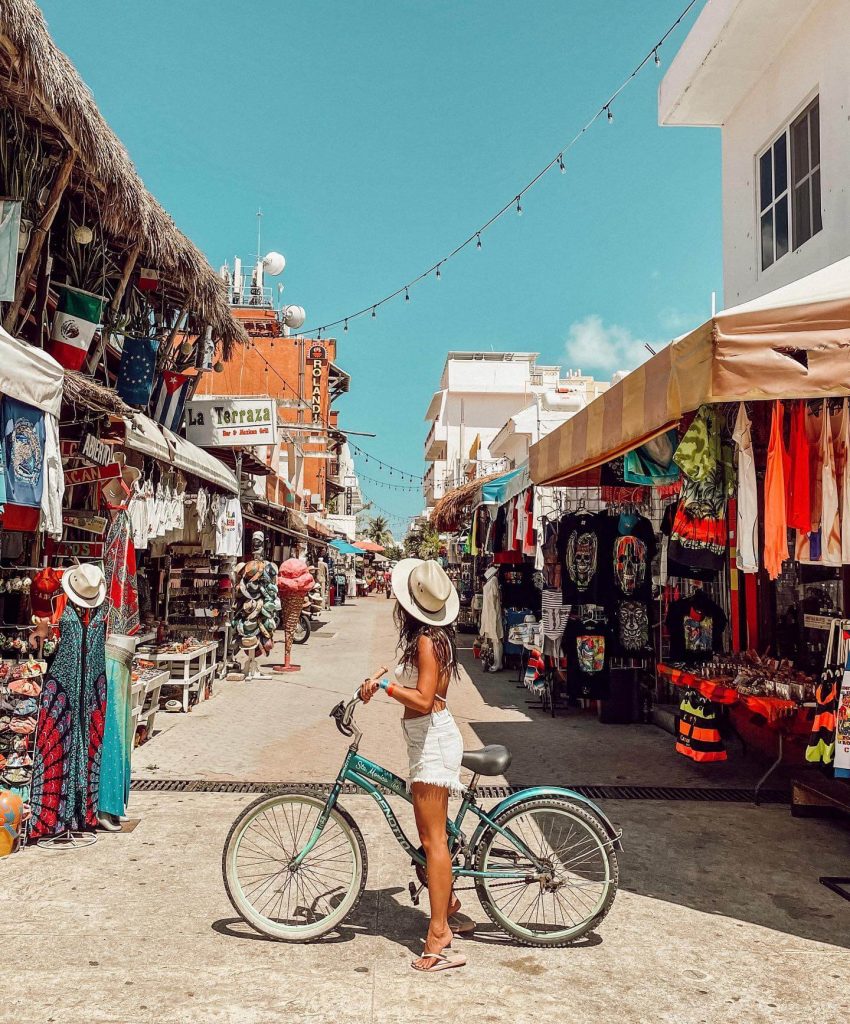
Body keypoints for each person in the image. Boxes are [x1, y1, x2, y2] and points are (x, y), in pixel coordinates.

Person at [360, 558, 468, 973]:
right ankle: (449, 902)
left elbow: (423, 699)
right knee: (431, 838)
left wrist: (388, 687)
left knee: (433, 841)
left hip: (433, 742)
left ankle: (439, 932)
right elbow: (419, 690)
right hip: (428, 739)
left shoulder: (426, 641)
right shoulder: (432, 636)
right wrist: (382, 682)